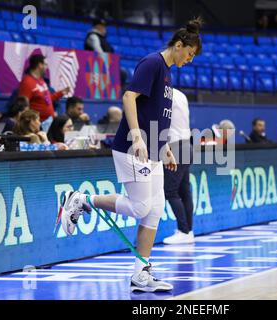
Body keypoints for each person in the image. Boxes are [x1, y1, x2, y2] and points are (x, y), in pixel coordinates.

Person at [59, 17, 203, 292]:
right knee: (140, 208)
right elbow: (128, 98)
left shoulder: (168, 74)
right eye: (190, 53)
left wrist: (164, 149)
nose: (190, 59)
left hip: (154, 151)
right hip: (132, 146)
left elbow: (158, 117)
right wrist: (137, 136)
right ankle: (82, 199)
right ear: (179, 44)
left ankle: (141, 274)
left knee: (155, 210)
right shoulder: (152, 63)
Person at [163, 88, 194, 245]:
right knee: (184, 190)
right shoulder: (181, 94)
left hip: (175, 146)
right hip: (187, 144)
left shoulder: (164, 93)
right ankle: (188, 231)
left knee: (170, 190)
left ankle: (184, 230)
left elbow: (162, 120)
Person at [18, 54, 69, 122]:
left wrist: (60, 93)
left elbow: (47, 99)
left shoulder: (41, 81)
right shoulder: (27, 82)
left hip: (48, 123)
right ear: (40, 65)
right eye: (45, 64)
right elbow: (23, 106)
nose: (46, 67)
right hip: (37, 124)